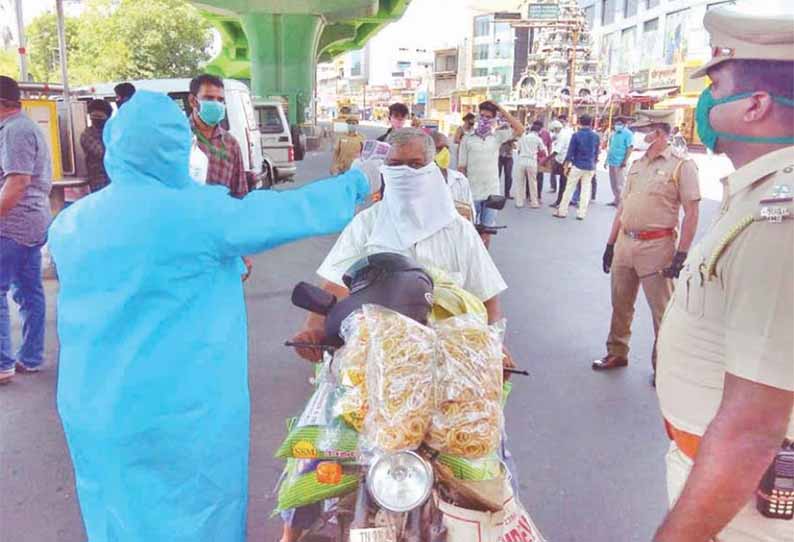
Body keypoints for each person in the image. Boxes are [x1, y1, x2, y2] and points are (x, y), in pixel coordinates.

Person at [48, 90, 370, 541]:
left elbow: (139, 274)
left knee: (115, 514)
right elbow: (284, 212)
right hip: (180, 412)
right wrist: (355, 184)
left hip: (95, 406)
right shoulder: (200, 214)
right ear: (178, 149)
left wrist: (217, 264)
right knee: (197, 516)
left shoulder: (71, 223)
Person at [284, 128, 510, 542]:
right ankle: (292, 531)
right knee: (312, 457)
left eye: (415, 165)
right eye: (396, 165)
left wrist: (497, 347)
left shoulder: (459, 232)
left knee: (490, 464)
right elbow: (331, 282)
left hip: (450, 377)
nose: (405, 173)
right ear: (385, 170)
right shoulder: (367, 223)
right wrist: (312, 328)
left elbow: (490, 298)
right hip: (368, 372)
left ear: (433, 168)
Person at [653, 7, 794, 542]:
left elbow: (753, 428)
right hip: (717, 481)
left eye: (715, 85)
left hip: (742, 506)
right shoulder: (759, 194)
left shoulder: (781, 218)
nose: (703, 102)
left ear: (756, 105)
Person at [594, 111, 700, 379]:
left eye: (644, 130)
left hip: (657, 247)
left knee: (662, 311)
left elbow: (692, 212)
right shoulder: (637, 164)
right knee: (620, 302)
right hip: (625, 243)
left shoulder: (682, 166)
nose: (638, 135)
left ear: (660, 133)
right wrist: (610, 243)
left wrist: (682, 254)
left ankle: (662, 366)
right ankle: (617, 352)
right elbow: (623, 206)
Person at [0, 76, 52, 385]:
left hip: (12, 225)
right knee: (29, 291)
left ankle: (3, 362)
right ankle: (31, 358)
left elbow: (17, 181)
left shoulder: (14, 131)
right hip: (31, 222)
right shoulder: (24, 126)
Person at [458, 101, 524, 247]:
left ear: (494, 119)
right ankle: (472, 265)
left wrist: (500, 109)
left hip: (492, 192)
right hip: (472, 194)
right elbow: (461, 168)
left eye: (488, 117)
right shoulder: (467, 139)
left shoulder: (497, 137)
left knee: (487, 233)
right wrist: (462, 194)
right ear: (477, 116)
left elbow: (519, 129)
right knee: (471, 234)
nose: (484, 119)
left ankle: (484, 265)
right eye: (481, 116)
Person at [188, 74, 248, 199]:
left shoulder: (231, 144)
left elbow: (239, 192)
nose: (216, 104)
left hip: (221, 215)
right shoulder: (179, 139)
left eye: (220, 100)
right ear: (193, 101)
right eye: (209, 98)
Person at [553, 114, 600, 220]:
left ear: (580, 123)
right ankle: (581, 214)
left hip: (577, 165)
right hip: (590, 166)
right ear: (591, 123)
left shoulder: (576, 135)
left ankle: (562, 211)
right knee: (585, 190)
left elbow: (570, 153)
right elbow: (597, 153)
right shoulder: (596, 136)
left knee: (569, 188)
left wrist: (565, 166)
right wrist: (594, 164)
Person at [432, 131, 475, 220]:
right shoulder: (419, 181)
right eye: (439, 148)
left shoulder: (460, 179)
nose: (445, 152)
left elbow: (470, 213)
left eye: (447, 148)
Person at [80, 99, 113, 193]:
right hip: (98, 180)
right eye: (94, 116)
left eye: (100, 117)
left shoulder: (111, 130)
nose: (97, 120)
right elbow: (103, 153)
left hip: (113, 179)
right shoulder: (87, 134)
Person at [514, 121, 548, 209]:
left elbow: (518, 150)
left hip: (521, 161)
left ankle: (519, 202)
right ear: (538, 131)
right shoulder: (538, 139)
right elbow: (544, 151)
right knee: (533, 183)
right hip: (531, 161)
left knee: (520, 182)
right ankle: (534, 203)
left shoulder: (523, 137)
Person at [604, 116, 634, 206]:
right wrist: (606, 160)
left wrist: (624, 161)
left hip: (620, 162)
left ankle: (622, 202)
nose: (617, 125)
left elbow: (630, 147)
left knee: (620, 183)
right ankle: (616, 199)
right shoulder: (614, 133)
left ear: (624, 124)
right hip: (612, 161)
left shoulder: (628, 134)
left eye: (619, 124)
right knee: (613, 182)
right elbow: (611, 147)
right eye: (616, 123)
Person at [549, 116, 573, 208]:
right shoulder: (563, 133)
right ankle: (561, 201)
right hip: (564, 160)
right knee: (564, 182)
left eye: (554, 130)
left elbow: (557, 151)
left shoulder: (562, 135)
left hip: (563, 161)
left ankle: (561, 202)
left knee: (563, 182)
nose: (554, 132)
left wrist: (547, 159)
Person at [535, 120, 553, 200]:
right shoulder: (534, 132)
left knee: (537, 177)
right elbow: (549, 145)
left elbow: (549, 144)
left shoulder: (545, 133)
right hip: (538, 158)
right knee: (534, 177)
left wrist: (548, 157)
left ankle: (537, 194)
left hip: (539, 158)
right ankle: (532, 194)